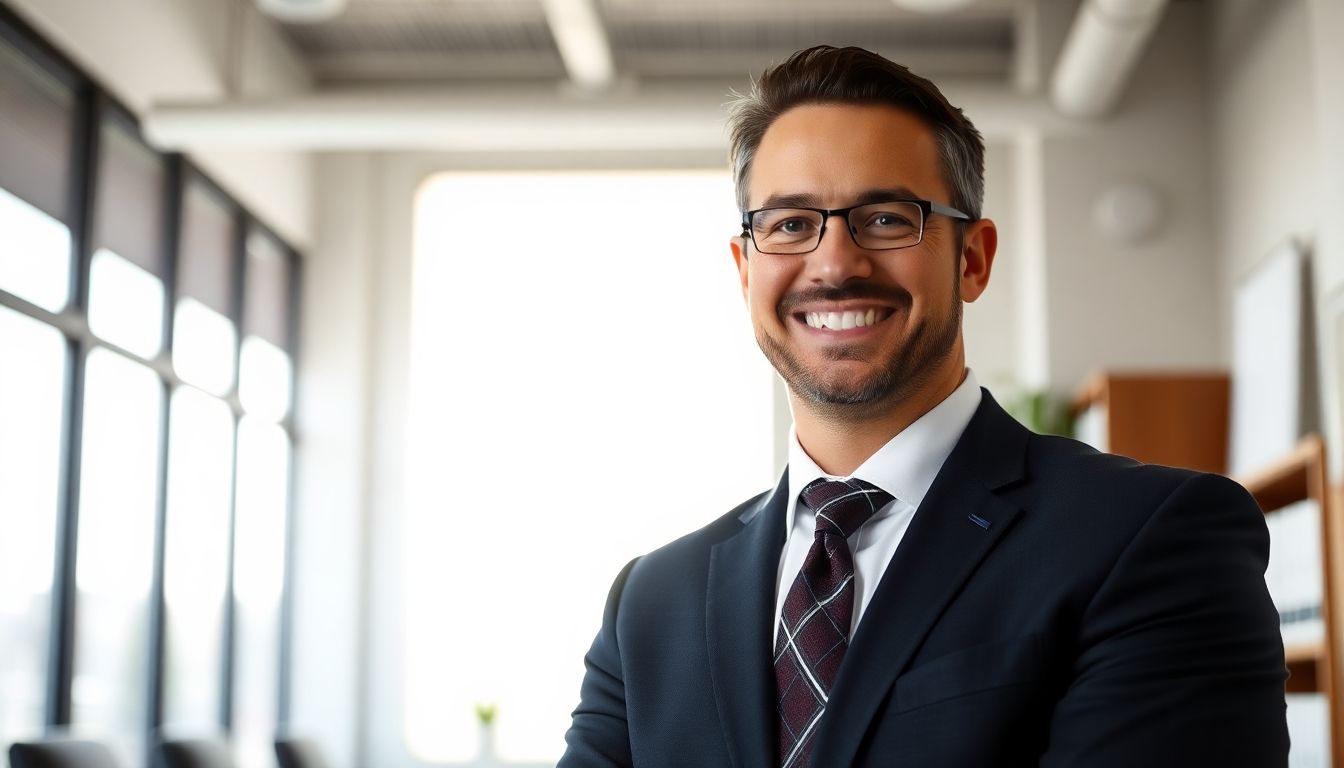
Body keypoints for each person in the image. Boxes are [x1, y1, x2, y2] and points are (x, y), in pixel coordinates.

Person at [558, 45, 1288, 768]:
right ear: (745, 268)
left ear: (972, 258)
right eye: (788, 224)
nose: (836, 263)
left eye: (885, 218)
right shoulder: (649, 605)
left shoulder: (1148, 539)